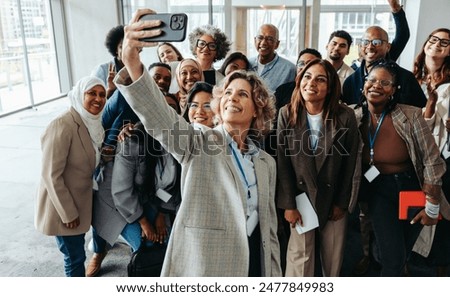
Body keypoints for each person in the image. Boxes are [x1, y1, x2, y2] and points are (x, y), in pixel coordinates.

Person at [114, 8, 281, 276]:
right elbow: (159, 117)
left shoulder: (266, 163)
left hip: (251, 262)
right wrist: (131, 59)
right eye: (227, 92)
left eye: (242, 95)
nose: (232, 98)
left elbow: (269, 229)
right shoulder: (199, 141)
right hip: (205, 262)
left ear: (257, 108)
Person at [352, 61, 449, 276]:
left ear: (394, 90)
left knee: (402, 251)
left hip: (411, 187)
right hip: (378, 189)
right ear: (363, 85)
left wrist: (432, 204)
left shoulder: (411, 115)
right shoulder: (353, 116)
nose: (376, 85)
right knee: (392, 257)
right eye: (372, 80)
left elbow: (433, 160)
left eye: (385, 82)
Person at [276, 59, 359, 277]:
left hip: (333, 199)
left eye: (320, 79)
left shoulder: (345, 116)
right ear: (299, 81)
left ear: (330, 86)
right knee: (299, 258)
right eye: (307, 77)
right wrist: (289, 204)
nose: (312, 83)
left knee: (332, 260)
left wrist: (341, 202)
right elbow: (282, 162)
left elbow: (349, 163)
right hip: (300, 197)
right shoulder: (287, 113)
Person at [86, 96, 182, 277]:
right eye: (163, 108)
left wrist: (161, 214)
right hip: (116, 202)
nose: (167, 113)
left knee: (167, 240)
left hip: (148, 199)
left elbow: (171, 187)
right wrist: (145, 223)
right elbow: (122, 192)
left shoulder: (179, 141)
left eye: (172, 109)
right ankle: (103, 253)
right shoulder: (132, 140)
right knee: (145, 243)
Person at [35, 76, 107, 277]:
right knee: (74, 259)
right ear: (79, 94)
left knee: (77, 257)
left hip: (82, 200)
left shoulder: (92, 123)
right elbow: (50, 174)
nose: (98, 99)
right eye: (91, 93)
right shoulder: (62, 125)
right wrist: (68, 212)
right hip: (64, 208)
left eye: (102, 94)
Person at [414, 28, 450, 276]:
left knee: (440, 215)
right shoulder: (409, 78)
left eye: (445, 42)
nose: (437, 44)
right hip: (410, 157)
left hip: (441, 157)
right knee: (414, 211)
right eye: (433, 39)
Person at [249, 24, 297, 92]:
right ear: (255, 40)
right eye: (260, 38)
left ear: (277, 44)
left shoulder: (290, 69)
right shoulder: (247, 63)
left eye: (269, 39)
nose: (263, 43)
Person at [91, 25, 125, 98]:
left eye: (130, 47)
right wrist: (110, 90)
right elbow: (93, 100)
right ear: (116, 49)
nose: (127, 51)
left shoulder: (137, 70)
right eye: (122, 47)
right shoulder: (102, 70)